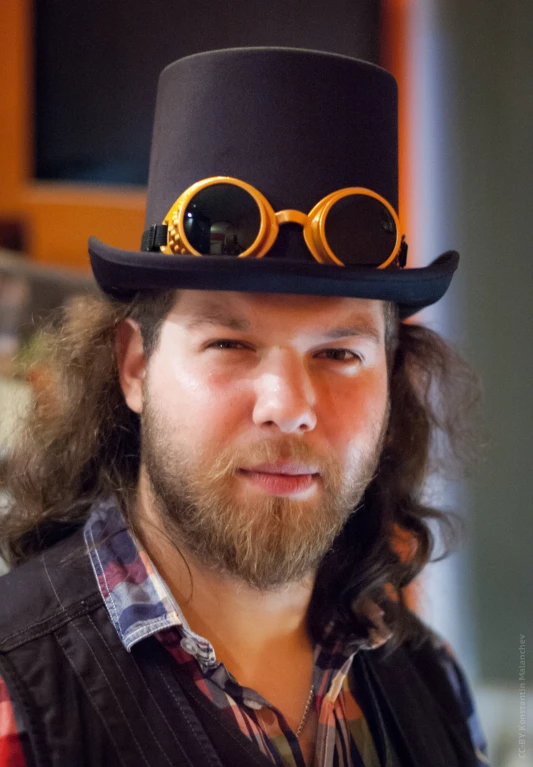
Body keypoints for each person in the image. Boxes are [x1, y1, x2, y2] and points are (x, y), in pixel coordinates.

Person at [0, 48, 489, 766]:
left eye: (339, 353)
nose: (289, 407)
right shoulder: (14, 700)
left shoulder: (429, 679)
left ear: (393, 382)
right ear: (135, 367)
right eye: (230, 343)